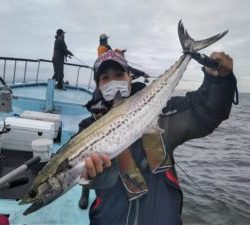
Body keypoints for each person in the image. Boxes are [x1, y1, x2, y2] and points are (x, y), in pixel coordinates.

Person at [78, 50, 237, 225]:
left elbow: (207, 111)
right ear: (98, 85)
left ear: (130, 78)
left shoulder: (160, 111)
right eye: (105, 78)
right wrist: (91, 177)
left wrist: (218, 81)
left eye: (119, 74)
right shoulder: (88, 128)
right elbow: (88, 178)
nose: (113, 82)